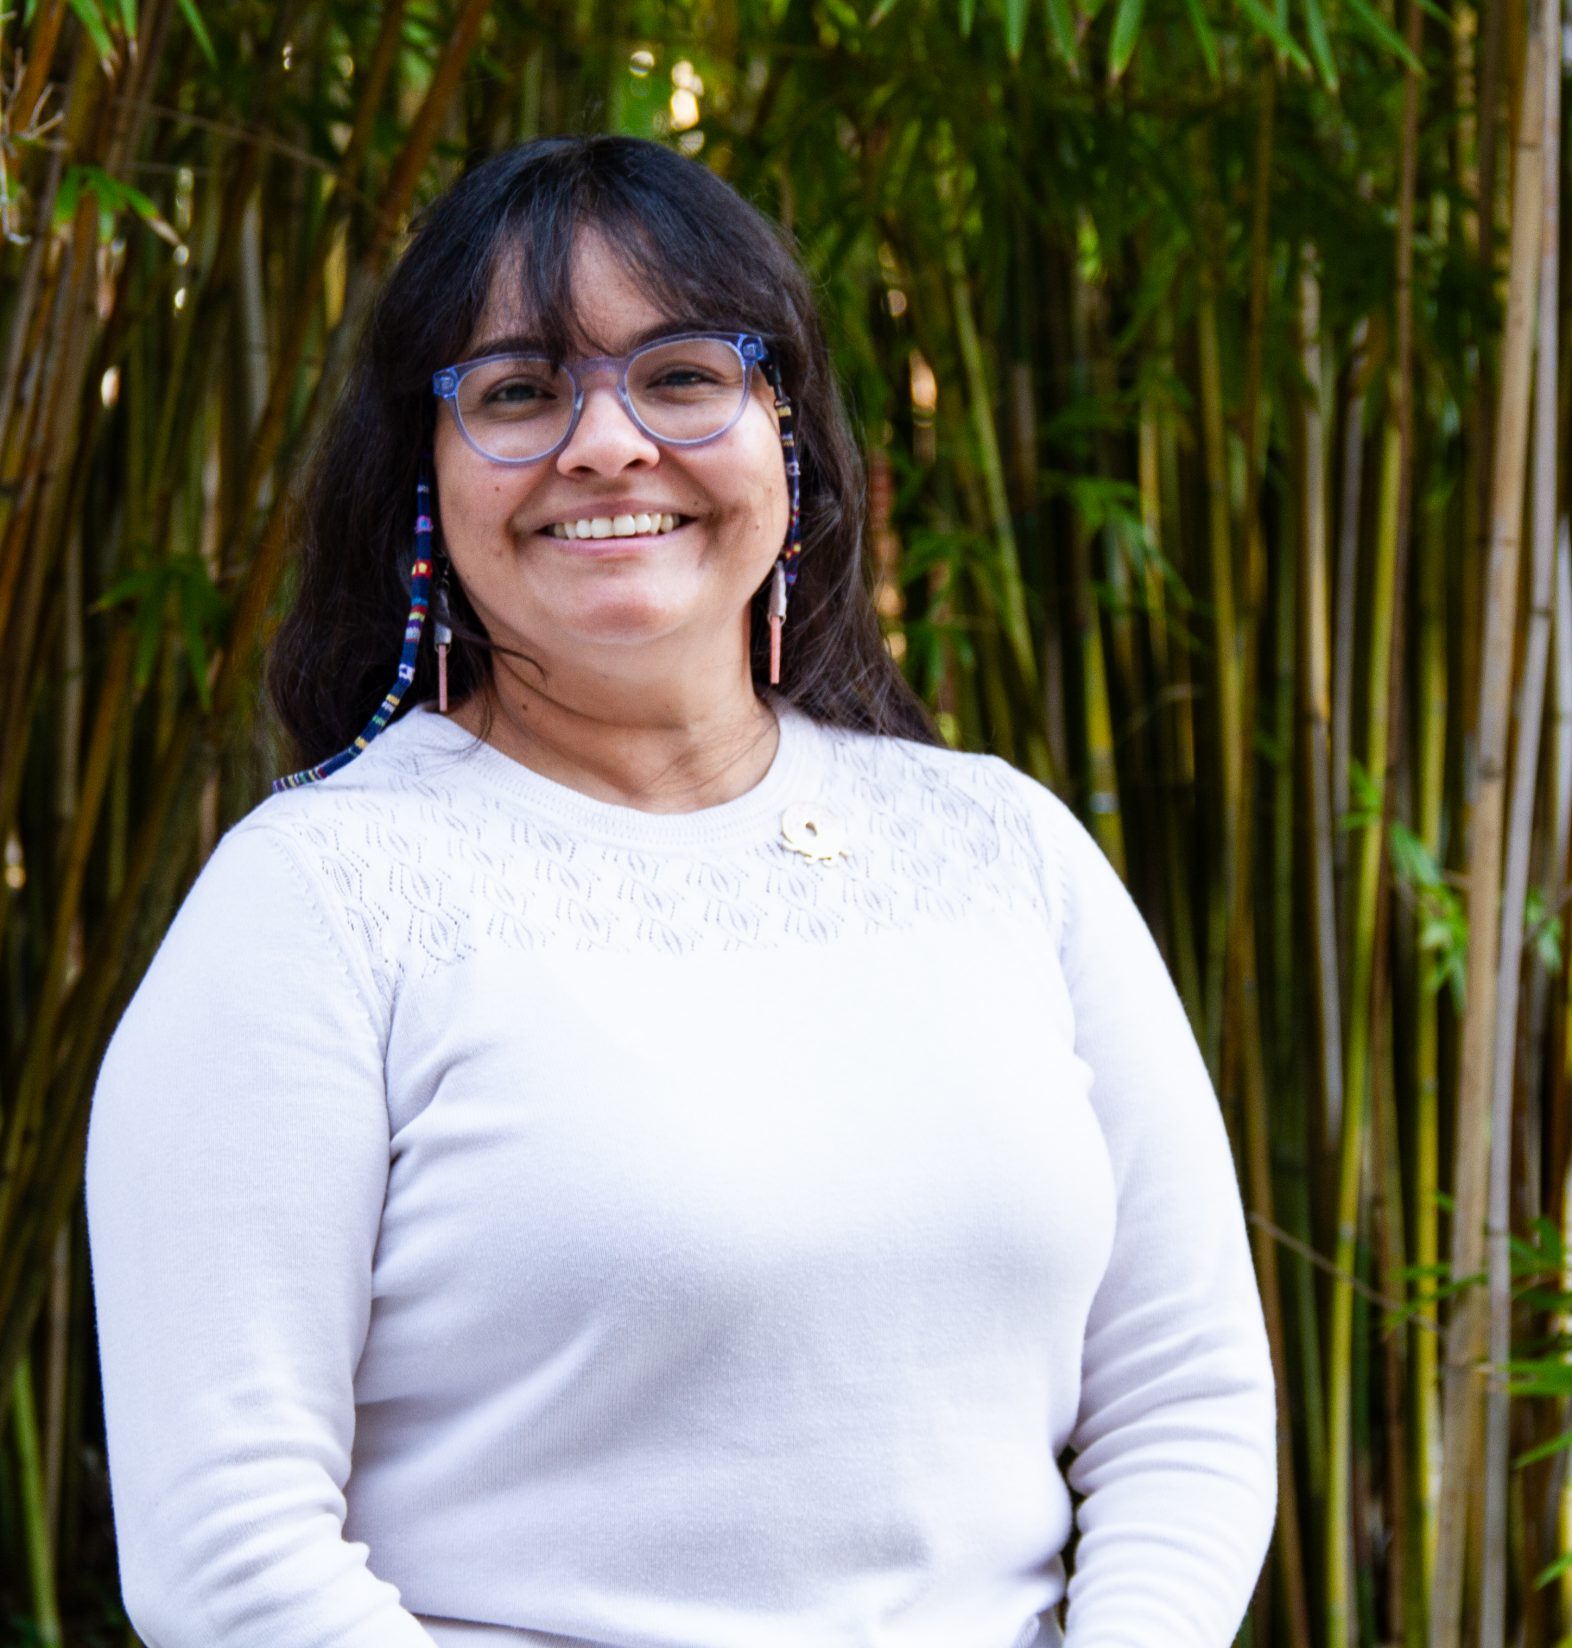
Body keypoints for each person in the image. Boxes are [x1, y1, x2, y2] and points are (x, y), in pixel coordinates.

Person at [82, 134, 1277, 1648]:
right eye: (519, 392)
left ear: (788, 435)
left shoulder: (1002, 849)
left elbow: (1185, 1402)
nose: (607, 444)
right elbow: (225, 1550)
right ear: (422, 481)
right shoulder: (313, 907)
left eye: (683, 375)